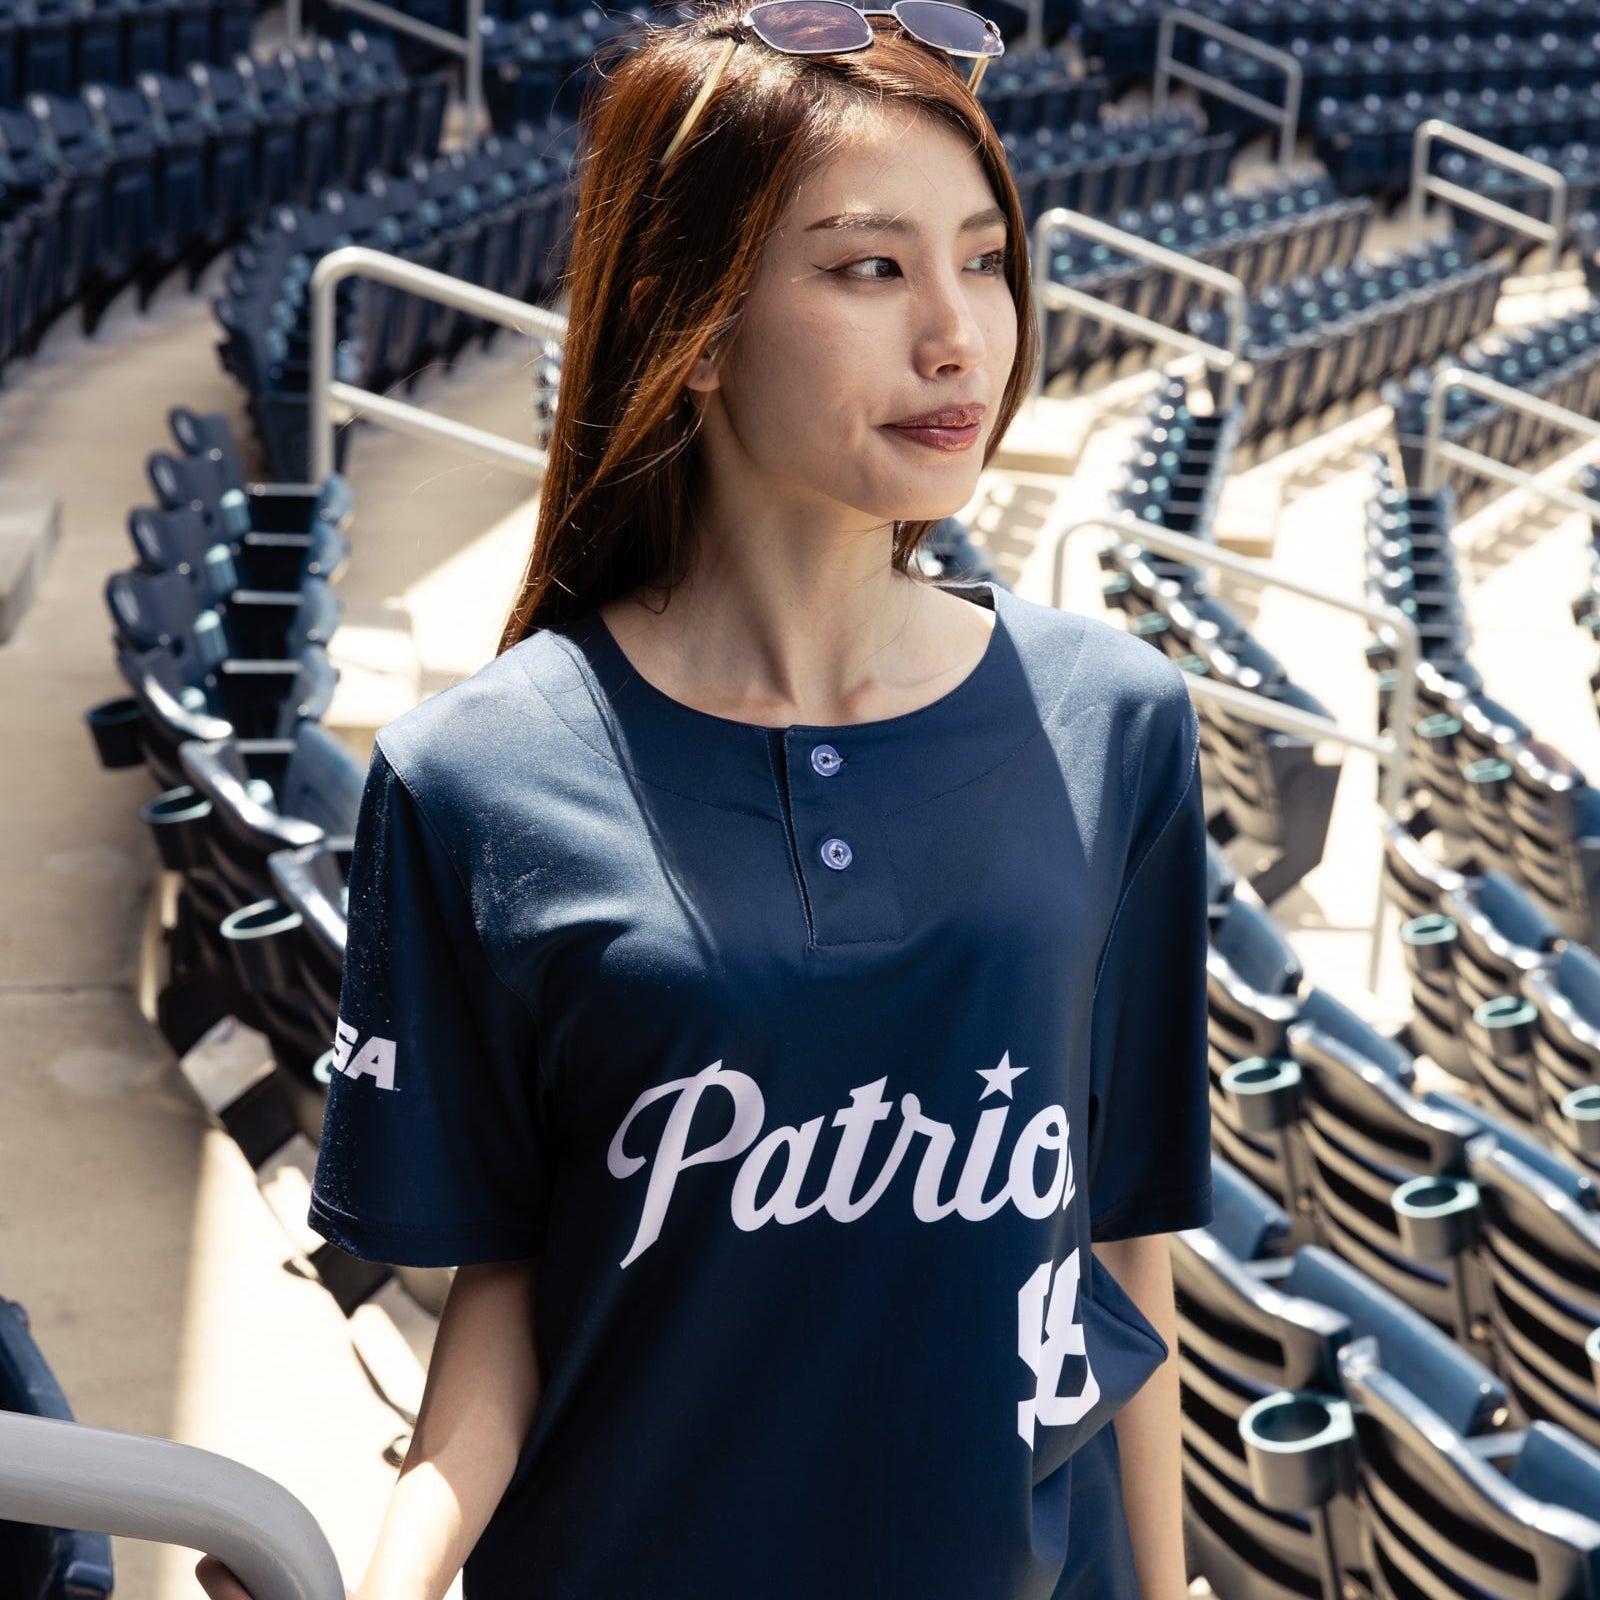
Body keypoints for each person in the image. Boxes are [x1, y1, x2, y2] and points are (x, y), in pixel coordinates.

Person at [197, 2, 1211, 1595]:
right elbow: (509, 1294)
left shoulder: (1119, 719)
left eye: (987, 257)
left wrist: (1163, 1589)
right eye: (870, 268)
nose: (960, 333)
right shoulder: (475, 775)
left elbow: (1119, 1236)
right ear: (698, 324)